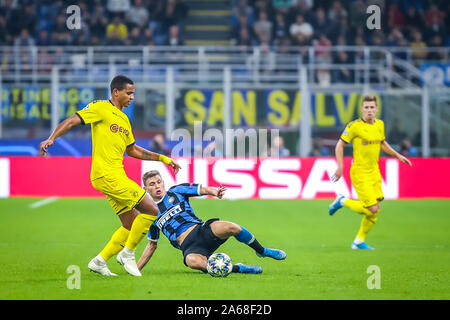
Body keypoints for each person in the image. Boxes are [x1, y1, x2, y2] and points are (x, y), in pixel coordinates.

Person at [39, 75, 181, 277]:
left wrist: (163, 159)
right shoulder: (100, 108)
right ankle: (128, 254)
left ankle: (99, 261)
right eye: (129, 93)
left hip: (115, 174)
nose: (132, 97)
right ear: (116, 92)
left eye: (133, 93)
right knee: (151, 209)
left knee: (131, 224)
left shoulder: (124, 119)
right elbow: (72, 120)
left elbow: (132, 150)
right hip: (106, 174)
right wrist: (52, 138)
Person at [137, 170, 286, 274]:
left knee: (232, 227)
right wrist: (136, 269)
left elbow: (203, 190)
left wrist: (215, 192)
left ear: (163, 182)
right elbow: (152, 245)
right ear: (145, 188)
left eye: (158, 182)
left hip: (201, 231)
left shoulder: (176, 191)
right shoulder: (150, 213)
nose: (157, 186)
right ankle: (238, 268)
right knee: (193, 262)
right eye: (152, 184)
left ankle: (262, 251)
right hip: (189, 247)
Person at [328, 95, 412, 250]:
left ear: (377, 109)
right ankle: (342, 201)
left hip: (374, 171)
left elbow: (382, 143)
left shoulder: (380, 124)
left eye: (372, 107)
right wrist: (340, 166)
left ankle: (359, 241)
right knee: (372, 208)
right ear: (361, 109)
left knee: (375, 210)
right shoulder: (354, 126)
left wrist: (397, 155)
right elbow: (339, 145)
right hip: (360, 172)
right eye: (366, 107)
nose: (369, 110)